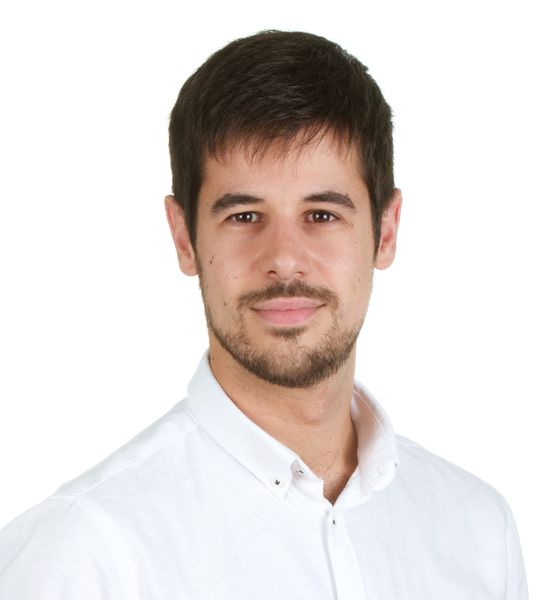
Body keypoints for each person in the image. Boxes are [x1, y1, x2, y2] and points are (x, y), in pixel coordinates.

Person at [0, 30, 528, 599]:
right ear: (184, 238)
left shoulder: (477, 531)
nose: (284, 259)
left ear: (386, 231)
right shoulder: (82, 554)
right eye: (244, 216)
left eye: (322, 215)